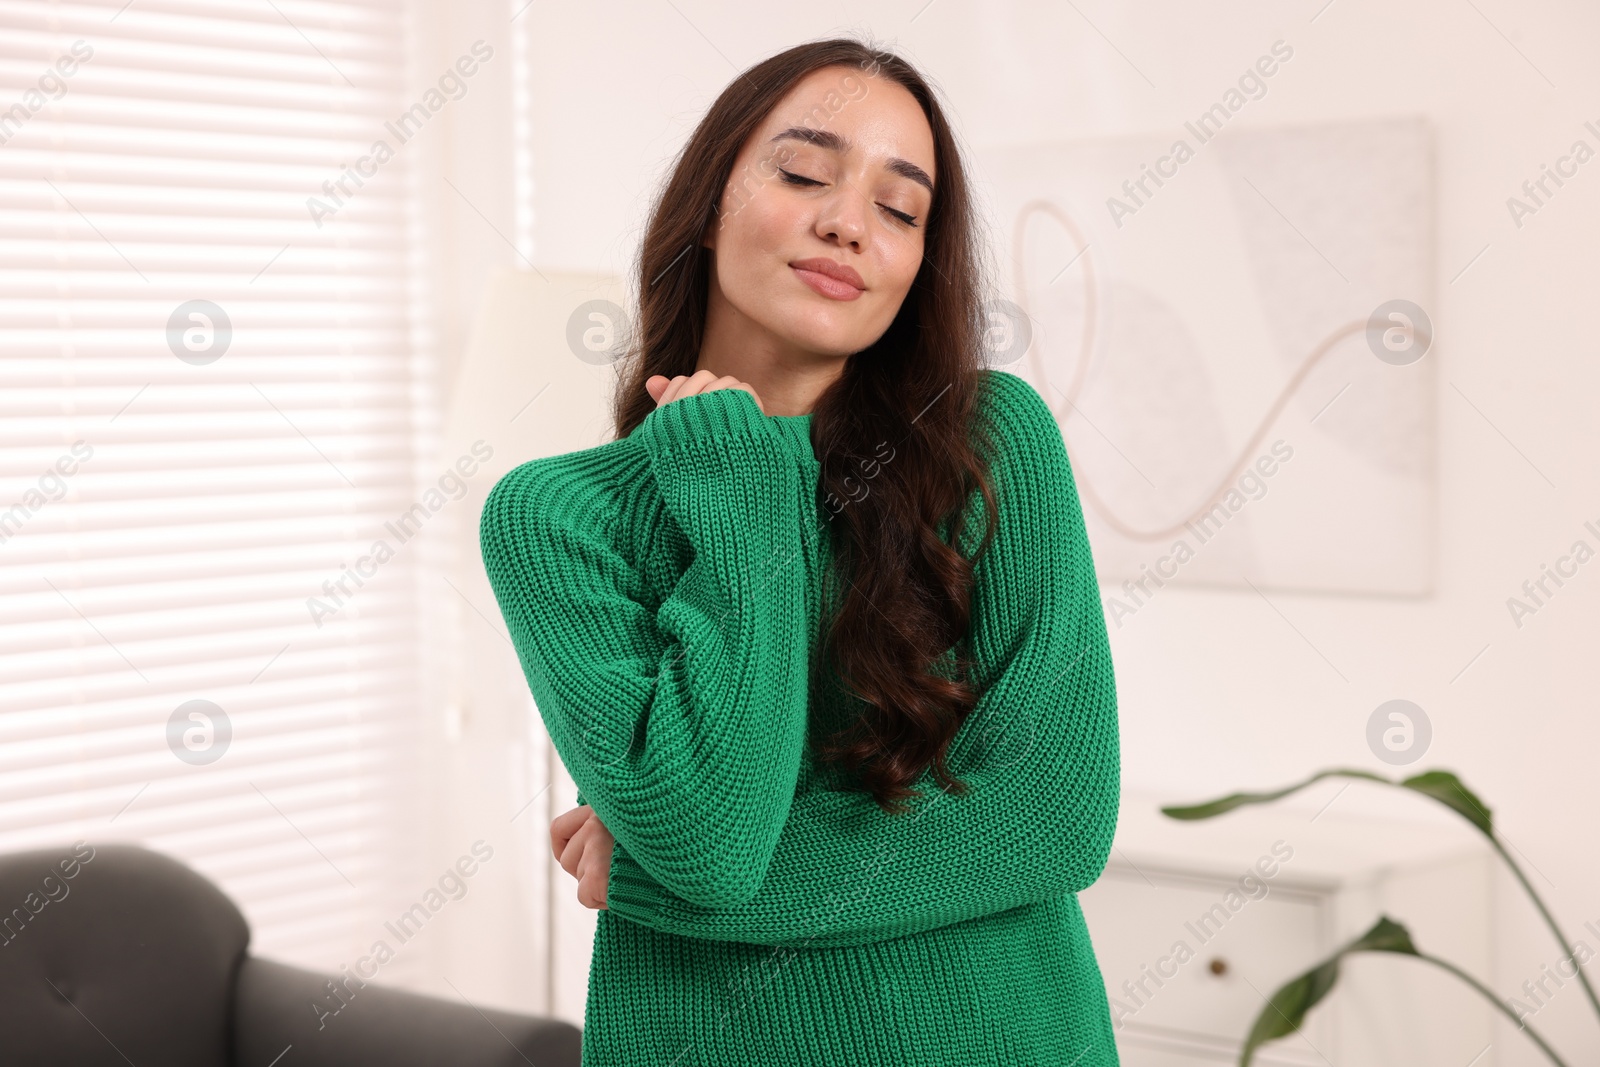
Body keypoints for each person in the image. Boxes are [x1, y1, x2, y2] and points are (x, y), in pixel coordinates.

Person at [479, 34, 1122, 1066]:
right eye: (805, 172)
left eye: (899, 209)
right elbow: (709, 840)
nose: (846, 223)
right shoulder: (557, 517)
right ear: (707, 201)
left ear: (918, 264)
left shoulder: (992, 442)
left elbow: (1051, 816)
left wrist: (644, 873)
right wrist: (739, 499)